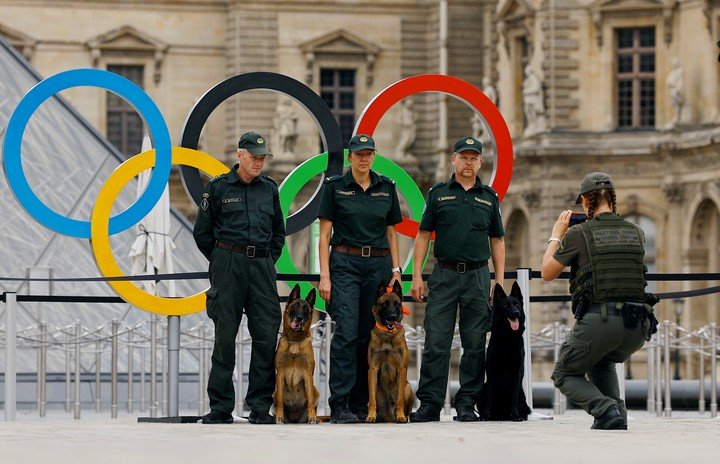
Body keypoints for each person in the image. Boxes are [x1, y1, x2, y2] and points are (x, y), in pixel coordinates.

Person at [541, 172, 655, 430]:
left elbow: (547, 272)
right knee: (601, 362)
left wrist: (557, 235)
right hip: (638, 326)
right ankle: (616, 418)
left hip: (601, 322)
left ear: (584, 200)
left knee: (564, 373)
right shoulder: (637, 232)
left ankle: (604, 408)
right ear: (613, 200)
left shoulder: (579, 233)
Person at [410, 136, 505, 422]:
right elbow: (423, 235)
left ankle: (467, 404)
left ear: (480, 161)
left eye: (473, 157)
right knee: (436, 342)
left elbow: (498, 240)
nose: (468, 162)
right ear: (453, 160)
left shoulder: (489, 197)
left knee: (474, 343)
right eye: (463, 157)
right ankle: (430, 404)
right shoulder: (438, 194)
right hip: (444, 275)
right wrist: (416, 275)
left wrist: (498, 281)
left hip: (477, 275)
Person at [194, 131, 286, 425]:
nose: (259, 162)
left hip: (261, 265)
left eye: (262, 158)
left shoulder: (270, 189)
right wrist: (223, 260)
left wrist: (266, 260)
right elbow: (203, 234)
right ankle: (221, 407)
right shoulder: (218, 188)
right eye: (254, 157)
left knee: (266, 335)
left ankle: (259, 406)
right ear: (240, 155)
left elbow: (278, 232)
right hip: (228, 263)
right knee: (224, 336)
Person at [318, 134, 403, 423]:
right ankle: (339, 402)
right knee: (345, 332)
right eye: (358, 154)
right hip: (345, 263)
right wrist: (325, 276)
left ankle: (362, 402)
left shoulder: (386, 187)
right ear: (349, 157)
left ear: (374, 156)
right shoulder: (335, 187)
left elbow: (392, 232)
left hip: (378, 265)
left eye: (368, 154)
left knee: (371, 333)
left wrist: (396, 269)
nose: (363, 159)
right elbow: (324, 235)